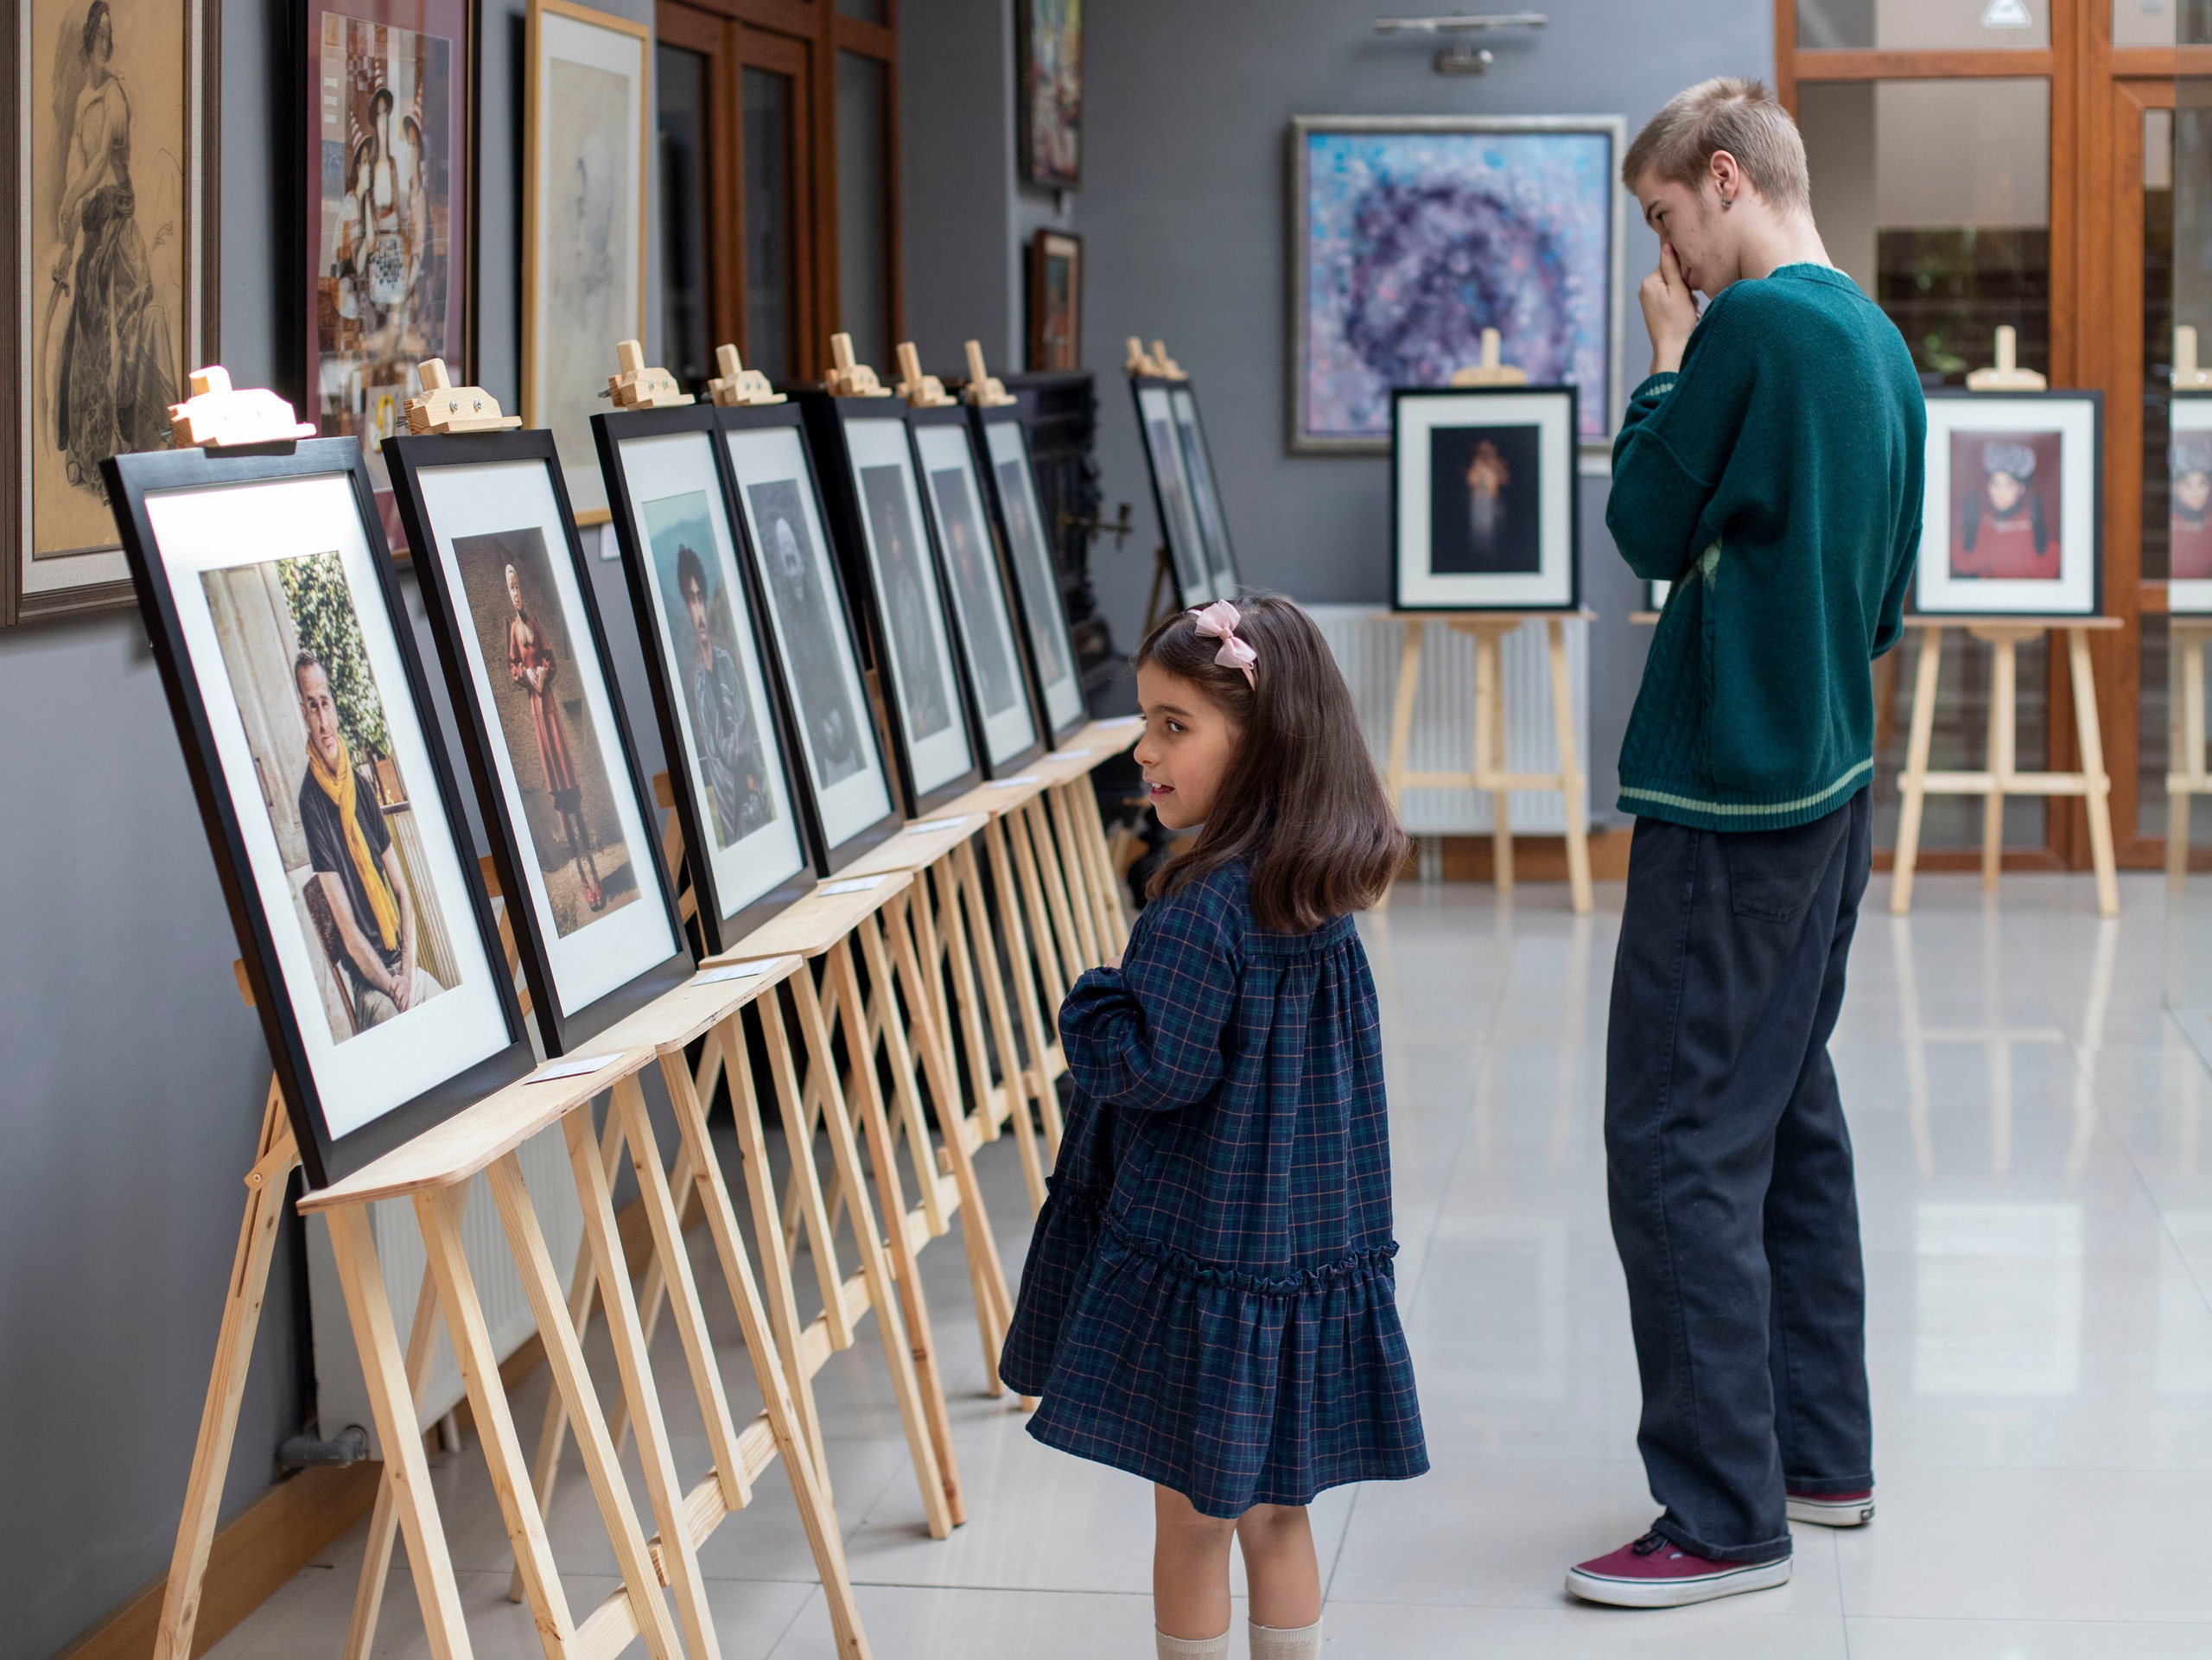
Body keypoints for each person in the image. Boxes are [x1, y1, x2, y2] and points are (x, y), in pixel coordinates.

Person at [1567, 79, 1923, 1608]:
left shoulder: (1756, 329)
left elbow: (1645, 523)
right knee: (1787, 1122)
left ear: (1724, 180)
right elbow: (1888, 596)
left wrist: (1664, 360)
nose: (1670, 258)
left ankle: (1720, 1517)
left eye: (1666, 222)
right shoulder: (1880, 341)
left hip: (1732, 805)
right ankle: (1818, 1455)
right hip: (1832, 791)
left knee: (1672, 1144)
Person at [1001, 596, 1427, 1660]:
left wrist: (1093, 1002)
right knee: (1279, 1511)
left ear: (1265, 739)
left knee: (1188, 1518)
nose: (1145, 751)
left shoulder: (1201, 910)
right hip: (1297, 1257)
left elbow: (1156, 1067)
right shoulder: (1318, 902)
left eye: (1174, 725)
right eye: (1146, 722)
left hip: (1207, 1259)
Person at [293, 652, 442, 1027]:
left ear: (335, 706)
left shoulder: (361, 786)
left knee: (452, 1016)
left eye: (325, 703)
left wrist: (408, 974)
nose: (324, 722)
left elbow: (402, 892)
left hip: (403, 969)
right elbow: (348, 931)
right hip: (372, 984)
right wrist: (393, 987)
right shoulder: (310, 802)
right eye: (312, 708)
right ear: (304, 714)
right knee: (403, 1035)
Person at [505, 563, 605, 913]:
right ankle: (581, 874)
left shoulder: (534, 625)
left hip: (551, 711)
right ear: (509, 594)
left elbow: (549, 659)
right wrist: (526, 677)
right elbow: (513, 667)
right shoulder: (514, 632)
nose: (516, 594)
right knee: (558, 795)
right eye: (511, 590)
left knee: (570, 787)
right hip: (537, 716)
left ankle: (595, 871)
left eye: (519, 588)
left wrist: (543, 672)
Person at [675, 544, 772, 844]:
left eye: (701, 598)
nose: (699, 610)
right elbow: (713, 750)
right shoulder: (699, 681)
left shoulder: (726, 662)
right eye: (692, 601)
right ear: (688, 610)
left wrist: (734, 756)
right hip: (729, 798)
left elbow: (740, 725)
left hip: (750, 786)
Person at [1956, 440, 2053, 578]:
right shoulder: (1982, 521)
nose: (2000, 492)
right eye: (1995, 484)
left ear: (2021, 488)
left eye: (2008, 485)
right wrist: (1969, 537)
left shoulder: (2030, 524)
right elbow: (1964, 566)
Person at [2174, 437, 2212, 580]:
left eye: (2202, 484)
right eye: (2188, 485)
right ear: (2175, 488)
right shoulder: (2171, 526)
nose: (2197, 493)